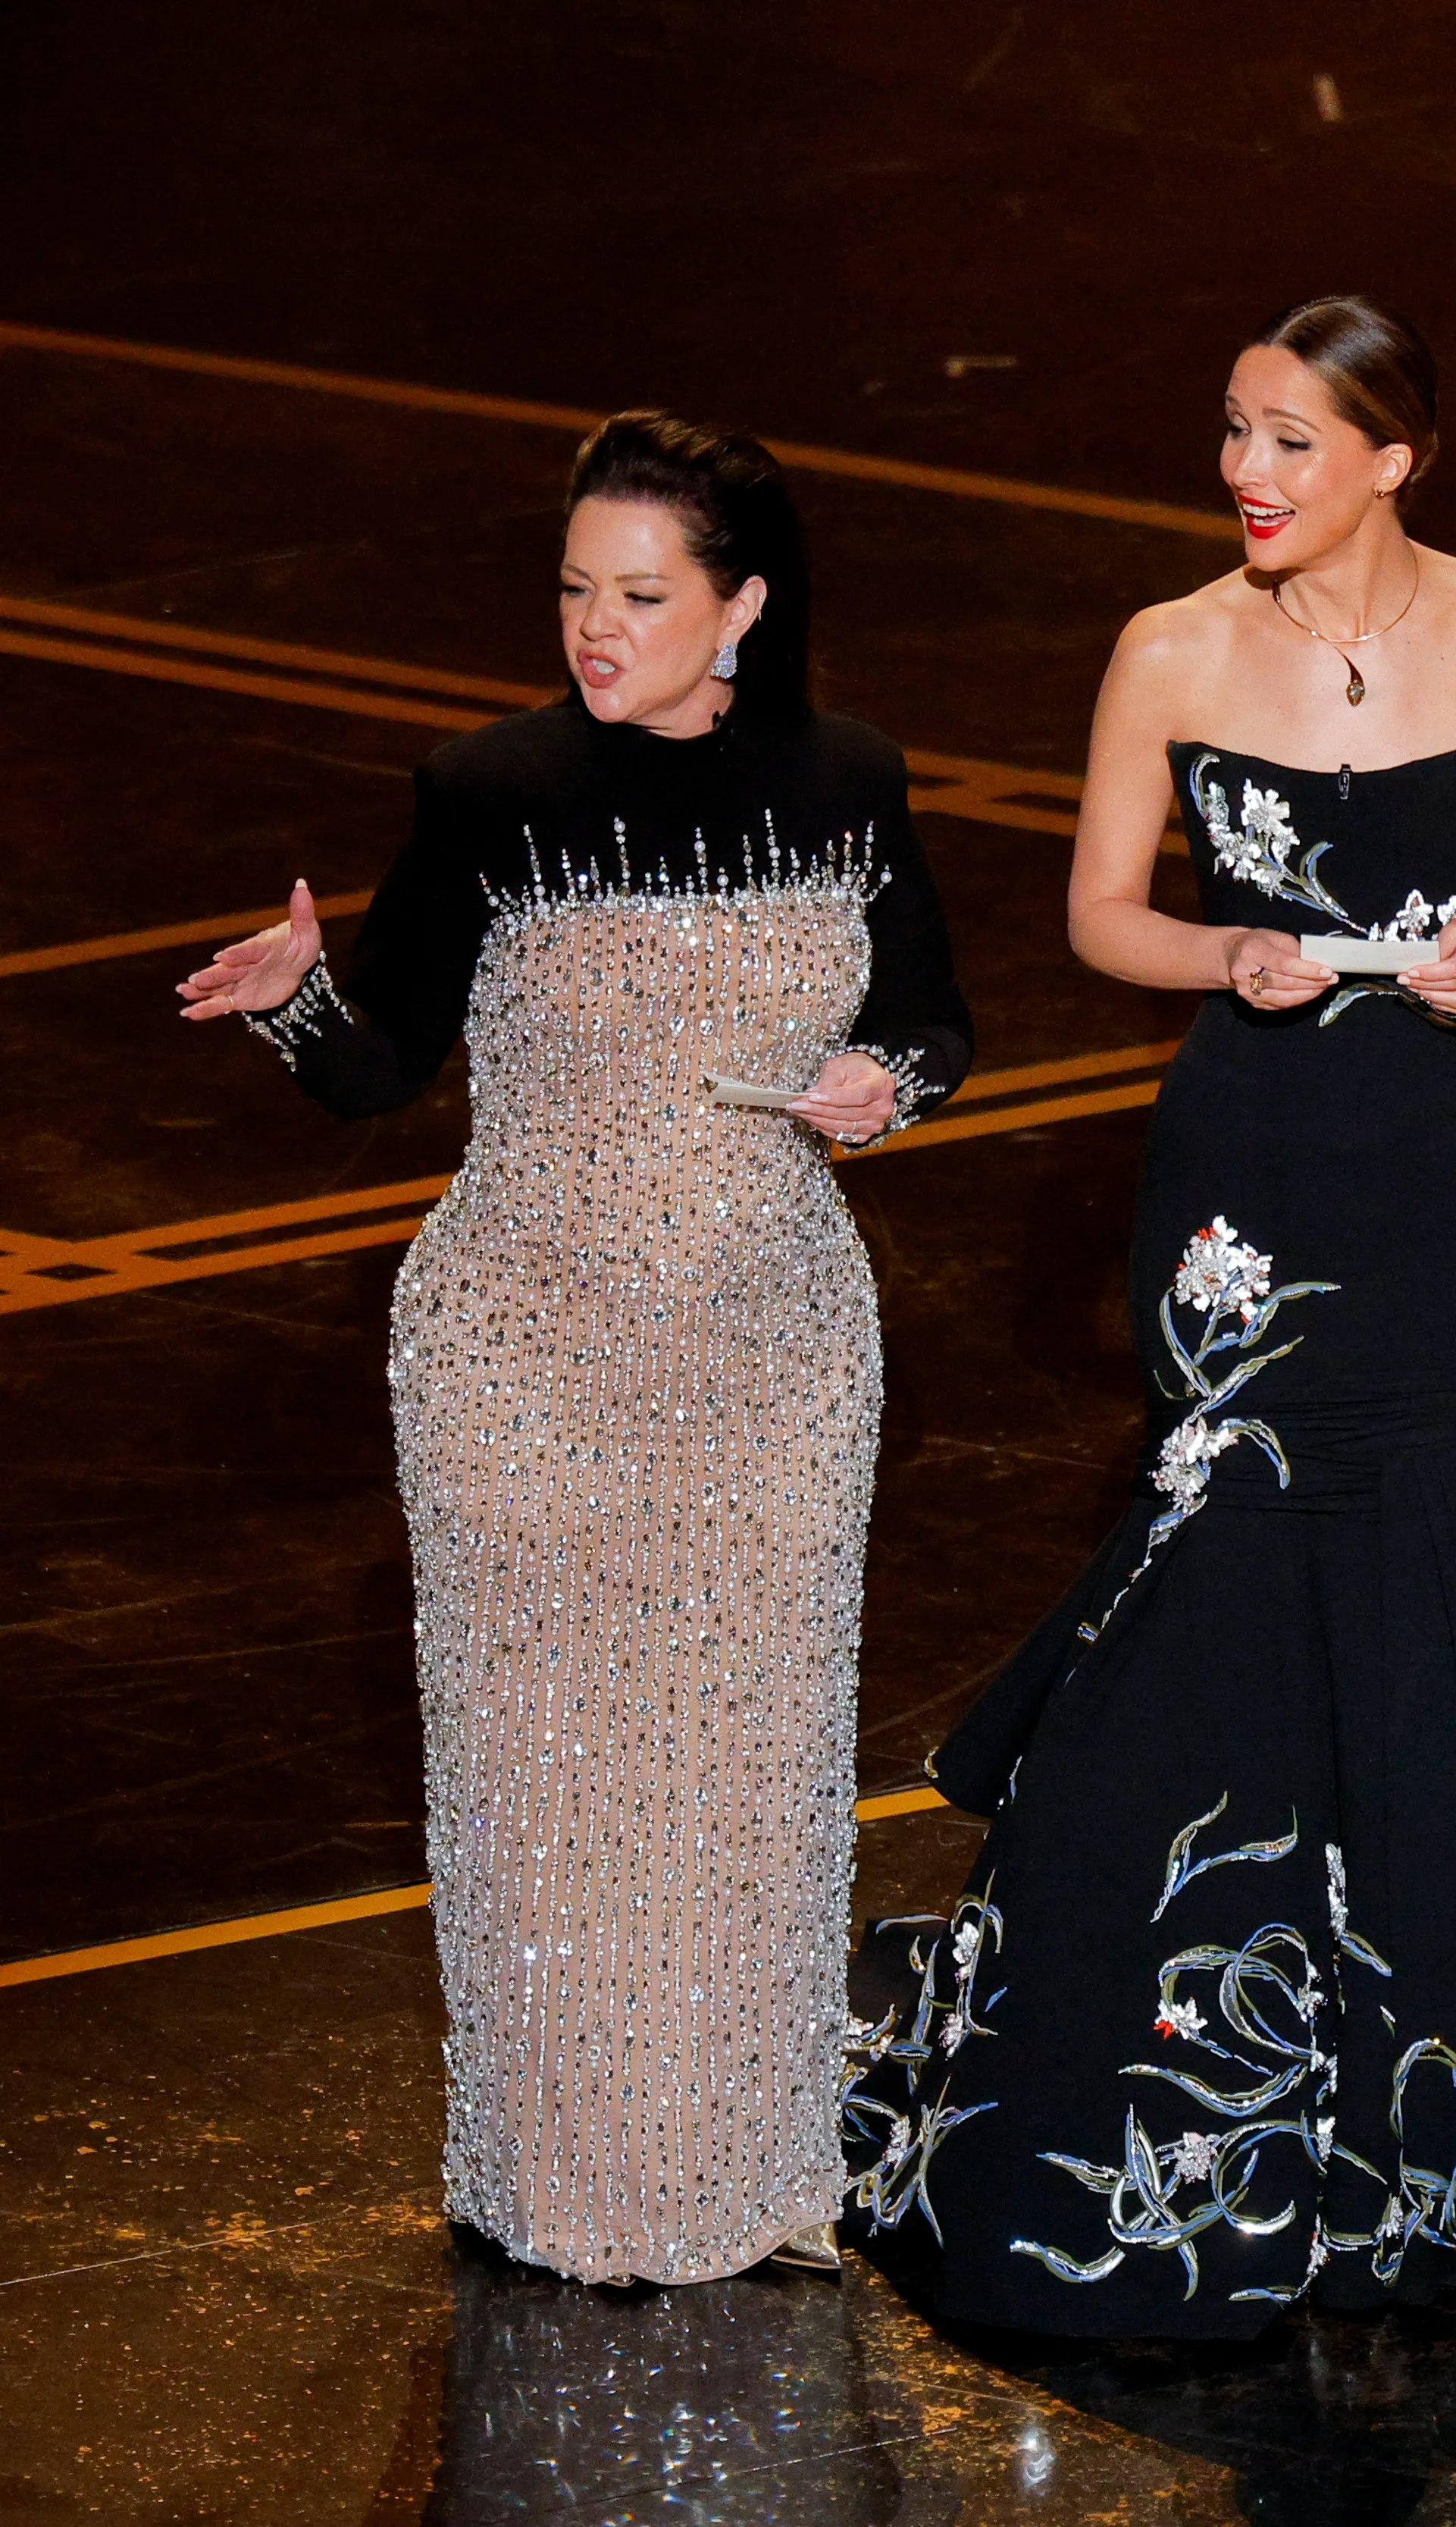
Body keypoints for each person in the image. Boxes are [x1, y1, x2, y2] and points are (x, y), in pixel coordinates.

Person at [838, 297, 1456, 2334]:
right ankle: (1207, 2073)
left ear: (1399, 455)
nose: (1249, 477)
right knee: (1235, 1530)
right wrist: (1229, 949)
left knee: (1447, 1512)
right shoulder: (1171, 647)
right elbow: (1101, 908)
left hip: (1441, 1154)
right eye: (1235, 437)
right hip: (1248, 1156)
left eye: (1293, 442)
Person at [174, 413, 973, 2284]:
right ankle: (564, 2181)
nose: (593, 629)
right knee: (547, 1776)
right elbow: (381, 1070)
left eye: (639, 594)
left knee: (744, 1770)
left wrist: (887, 1087)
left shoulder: (852, 781)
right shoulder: (488, 790)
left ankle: (747, 2167)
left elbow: (937, 1022)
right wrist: (300, 1008)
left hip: (775, 1350)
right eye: (571, 590)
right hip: (520, 1350)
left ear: (743, 604)